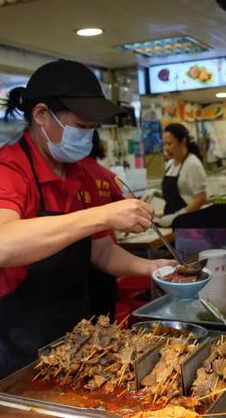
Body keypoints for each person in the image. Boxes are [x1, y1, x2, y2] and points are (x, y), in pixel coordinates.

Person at [0, 59, 173, 387]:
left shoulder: (81, 173)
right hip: (6, 344)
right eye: (81, 125)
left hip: (67, 338)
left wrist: (155, 269)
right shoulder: (3, 172)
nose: (88, 135)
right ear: (41, 114)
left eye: (92, 127)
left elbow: (101, 253)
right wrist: (102, 215)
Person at [80, 130, 126, 319]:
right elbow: (123, 205)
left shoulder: (81, 174)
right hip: (105, 250)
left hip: (93, 254)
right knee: (105, 317)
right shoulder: (106, 175)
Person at [156, 123, 207, 227]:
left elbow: (201, 198)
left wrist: (177, 215)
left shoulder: (192, 164)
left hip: (189, 224)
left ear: (183, 141)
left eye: (169, 144)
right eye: (164, 144)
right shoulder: (171, 164)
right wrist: (156, 194)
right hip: (172, 223)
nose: (166, 148)